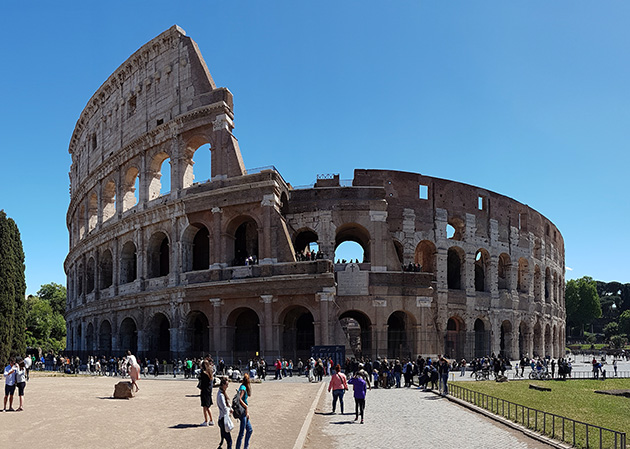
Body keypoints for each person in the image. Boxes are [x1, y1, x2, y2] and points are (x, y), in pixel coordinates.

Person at [235, 373, 253, 449]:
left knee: (249, 430)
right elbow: (239, 399)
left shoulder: (243, 387)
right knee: (242, 433)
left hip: (243, 411)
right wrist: (246, 407)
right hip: (242, 411)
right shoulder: (243, 388)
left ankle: (246, 447)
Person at [217, 377, 233, 449]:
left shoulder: (221, 392)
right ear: (223, 385)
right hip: (223, 420)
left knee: (223, 438)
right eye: (226, 385)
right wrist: (230, 410)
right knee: (229, 441)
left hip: (221, 419)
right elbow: (224, 408)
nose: (227, 386)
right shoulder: (221, 395)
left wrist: (230, 407)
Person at [199, 360, 215, 426]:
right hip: (208, 391)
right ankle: (211, 420)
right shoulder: (210, 372)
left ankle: (206, 421)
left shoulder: (203, 373)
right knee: (208, 407)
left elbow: (202, 382)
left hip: (204, 391)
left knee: (204, 407)